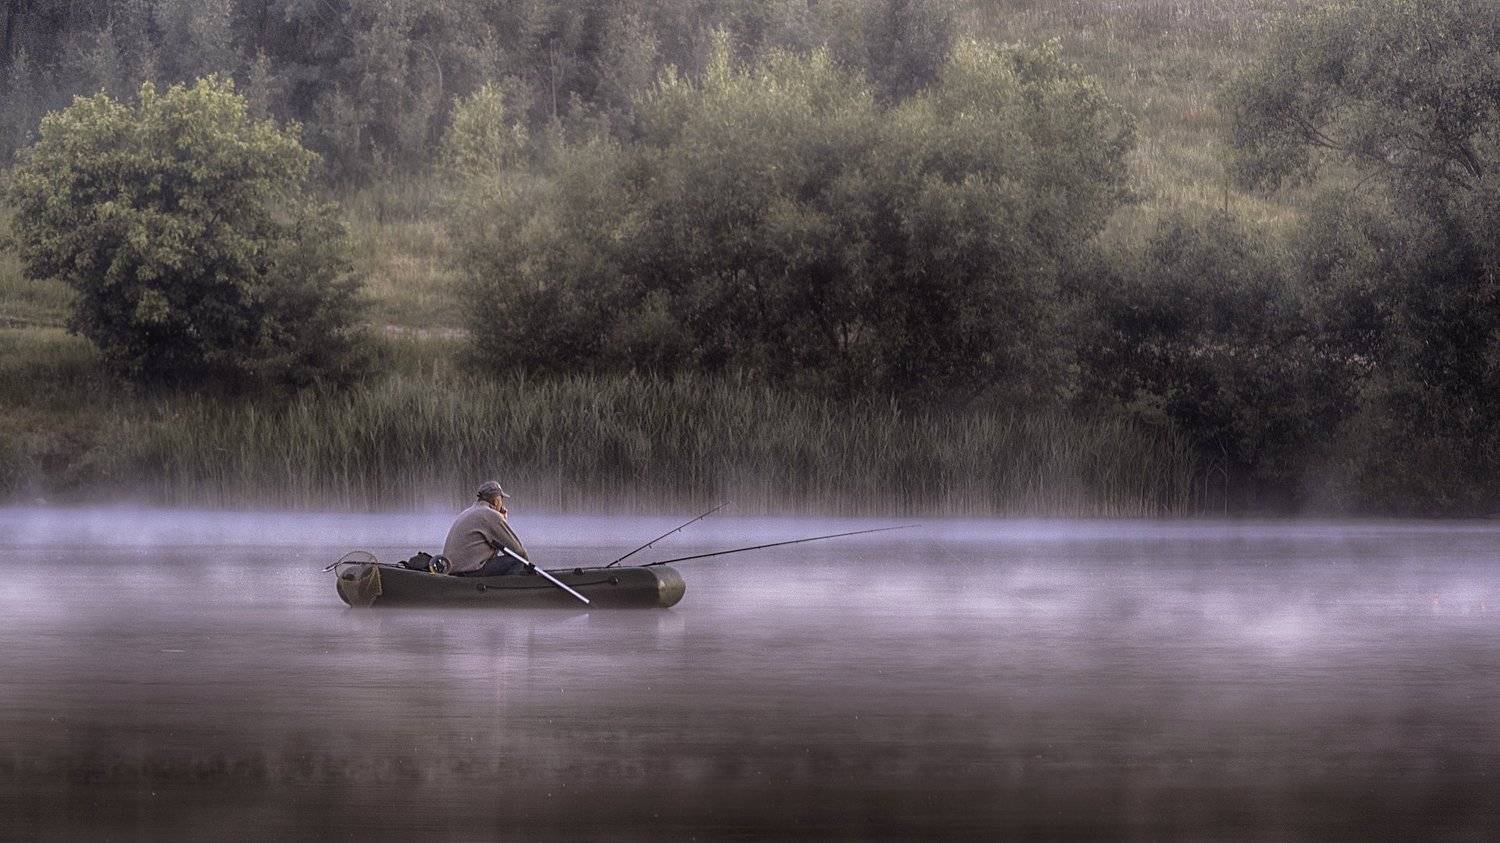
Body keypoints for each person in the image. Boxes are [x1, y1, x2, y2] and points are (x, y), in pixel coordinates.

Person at [442, 480, 530, 577]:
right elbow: (518, 551)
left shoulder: (468, 512)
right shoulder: (490, 515)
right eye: (502, 499)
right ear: (496, 501)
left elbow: (497, 545)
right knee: (517, 560)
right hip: (470, 572)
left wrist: (502, 520)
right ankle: (508, 590)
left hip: (451, 570)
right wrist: (529, 567)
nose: (503, 503)